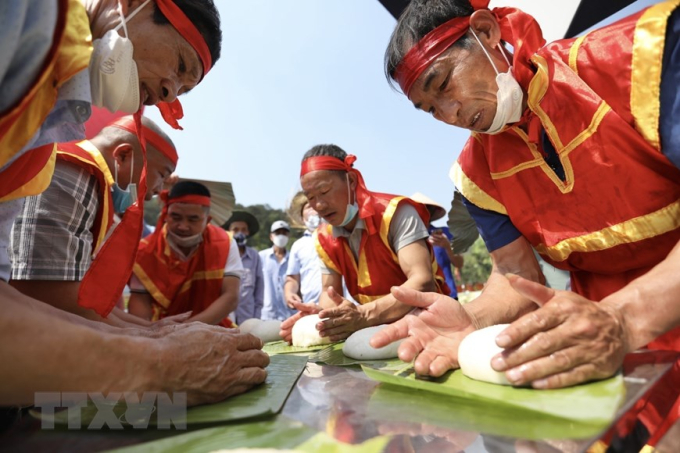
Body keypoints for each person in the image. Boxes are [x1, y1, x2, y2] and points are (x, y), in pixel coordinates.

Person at [373, 0, 680, 443]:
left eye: (443, 83)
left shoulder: (636, 60)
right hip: (601, 347)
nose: (450, 114)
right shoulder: (476, 172)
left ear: (486, 31)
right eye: (431, 109)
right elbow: (514, 273)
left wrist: (625, 317)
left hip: (628, 320)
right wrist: (474, 319)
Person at [0, 0, 268, 408]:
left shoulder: (47, 123)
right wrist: (154, 363)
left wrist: (145, 338)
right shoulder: (31, 17)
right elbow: (45, 290)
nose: (166, 95)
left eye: (183, 91)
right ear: (131, 5)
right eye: (179, 66)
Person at [10, 115, 176, 325]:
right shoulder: (74, 174)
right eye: (162, 174)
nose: (158, 190)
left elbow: (79, 297)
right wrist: (147, 335)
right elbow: (47, 290)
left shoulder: (91, 182)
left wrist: (148, 328)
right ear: (123, 155)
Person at [280, 144, 450, 342]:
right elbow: (329, 293)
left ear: (351, 180)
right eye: (311, 198)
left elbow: (422, 282)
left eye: (324, 191)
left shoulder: (394, 213)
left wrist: (363, 315)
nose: (319, 205)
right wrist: (321, 317)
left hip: (428, 325)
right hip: (371, 332)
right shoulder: (323, 238)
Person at [128, 181, 242, 327]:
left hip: (213, 329)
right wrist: (149, 335)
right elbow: (140, 305)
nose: (183, 226)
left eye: (192, 219)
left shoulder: (225, 243)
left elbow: (230, 297)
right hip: (160, 333)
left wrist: (185, 330)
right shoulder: (145, 251)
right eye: (175, 217)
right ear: (166, 214)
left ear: (207, 220)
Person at [410, 192, 464, 299]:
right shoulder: (406, 238)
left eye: (427, 209)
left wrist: (447, 247)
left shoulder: (445, 233)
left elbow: (459, 263)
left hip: (448, 294)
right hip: (419, 297)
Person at [283, 191, 323, 309]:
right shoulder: (298, 245)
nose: (314, 209)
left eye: (317, 204)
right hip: (311, 306)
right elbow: (293, 278)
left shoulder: (340, 237)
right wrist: (289, 292)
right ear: (302, 218)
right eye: (309, 206)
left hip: (342, 305)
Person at [223, 211, 264, 324]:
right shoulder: (222, 254)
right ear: (228, 232)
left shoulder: (254, 256)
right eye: (235, 229)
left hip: (247, 317)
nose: (240, 233)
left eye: (243, 229)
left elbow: (259, 292)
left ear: (248, 232)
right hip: (225, 317)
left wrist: (256, 319)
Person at [259, 220, 295, 321]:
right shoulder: (261, 257)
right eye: (278, 233)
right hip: (266, 315)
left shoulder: (294, 258)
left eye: (284, 233)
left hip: (289, 314)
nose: (281, 236)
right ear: (271, 236)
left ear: (288, 236)